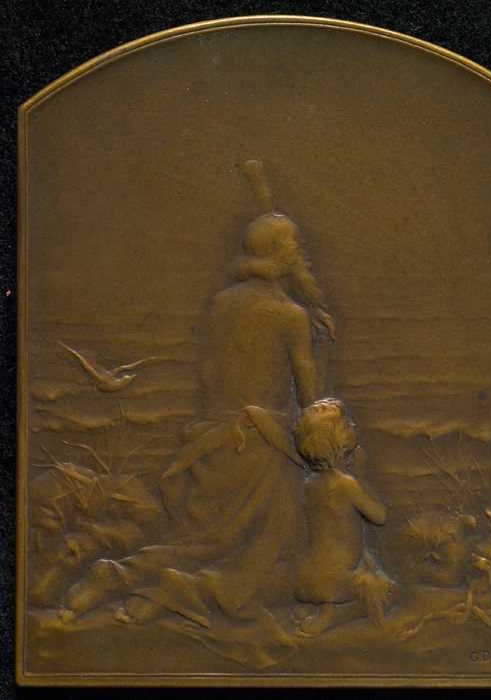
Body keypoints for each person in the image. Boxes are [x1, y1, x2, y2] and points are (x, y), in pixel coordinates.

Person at [59, 212, 335, 647]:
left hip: (213, 440)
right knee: (262, 551)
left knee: (202, 543)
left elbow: (215, 374)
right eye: (293, 244)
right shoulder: (290, 316)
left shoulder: (223, 304)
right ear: (278, 254)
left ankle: (127, 581)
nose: (300, 251)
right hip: (263, 450)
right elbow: (311, 398)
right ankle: (165, 589)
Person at [293, 398, 391, 637]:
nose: (353, 426)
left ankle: (319, 611)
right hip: (337, 580)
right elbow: (379, 516)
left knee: (367, 568)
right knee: (384, 592)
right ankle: (334, 615)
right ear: (332, 442)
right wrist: (362, 479)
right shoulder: (346, 484)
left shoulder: (310, 485)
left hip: (307, 577)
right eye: (346, 425)